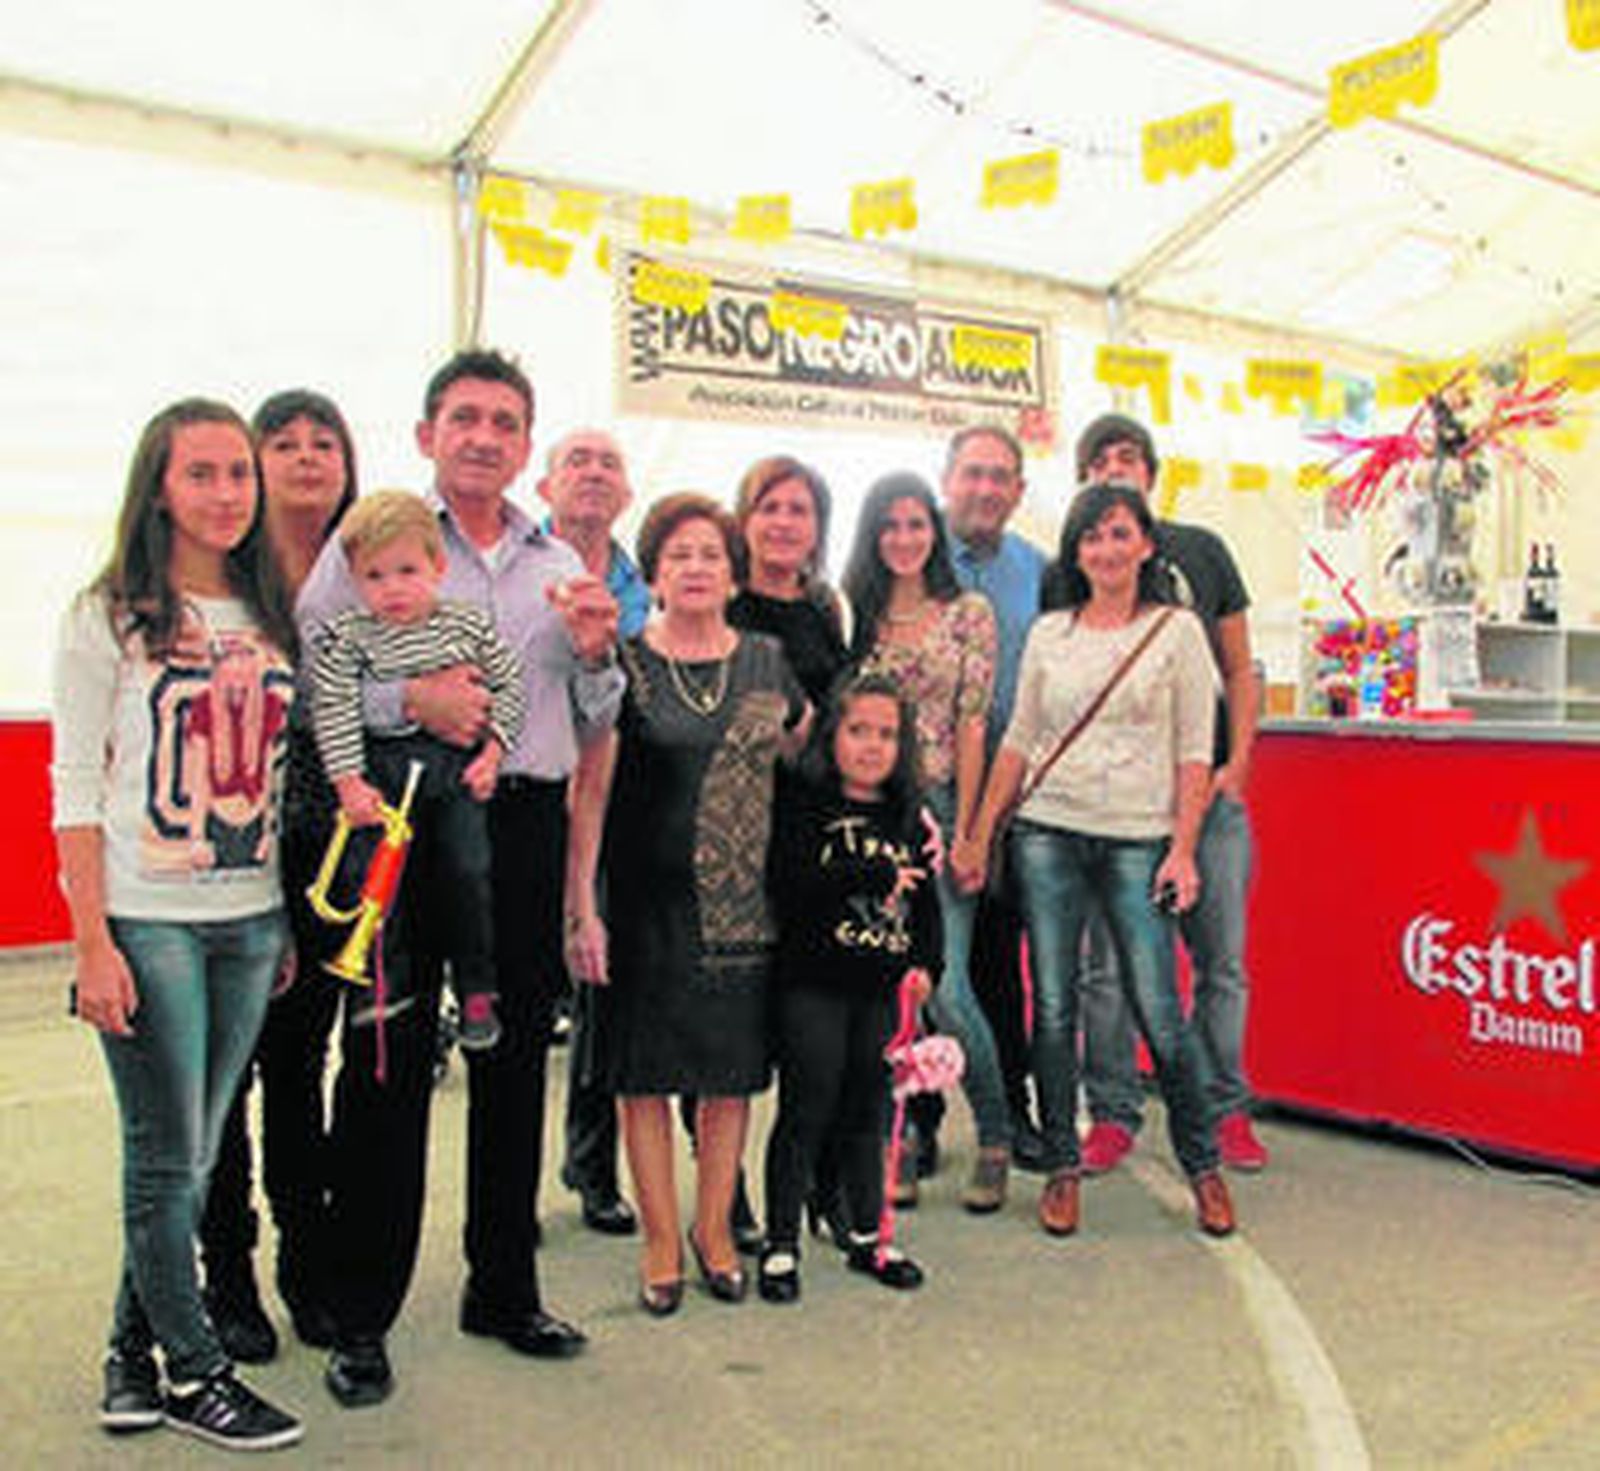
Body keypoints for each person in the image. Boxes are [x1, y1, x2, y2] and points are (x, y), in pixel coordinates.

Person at [297, 349, 621, 1407]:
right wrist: (410, 710)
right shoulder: (373, 540)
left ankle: (503, 1286)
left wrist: (596, 654)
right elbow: (318, 686)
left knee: (516, 1057)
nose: (485, 435)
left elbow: (596, 711)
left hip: (520, 825)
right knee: (385, 1061)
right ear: (427, 432)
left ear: (526, 446)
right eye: (465, 417)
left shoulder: (556, 562)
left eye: (505, 421)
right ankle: (360, 1314)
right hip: (397, 820)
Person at [52, 398, 304, 1449]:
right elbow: (72, 785)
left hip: (248, 920)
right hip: (148, 919)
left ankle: (129, 1354)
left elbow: (282, 781)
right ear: (157, 486)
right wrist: (92, 942)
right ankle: (196, 1373)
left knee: (191, 1155)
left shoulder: (271, 610)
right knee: (169, 1159)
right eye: (199, 473)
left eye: (237, 473)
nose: (225, 492)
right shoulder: (108, 612)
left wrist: (282, 914)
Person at [959, 482, 1236, 1239]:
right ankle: (1060, 1167)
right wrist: (981, 832)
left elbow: (1192, 749)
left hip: (1140, 838)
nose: (1106, 550)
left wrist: (1184, 847)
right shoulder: (1051, 632)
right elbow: (1018, 739)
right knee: (1052, 1008)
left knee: (1159, 1010)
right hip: (1047, 830)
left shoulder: (1177, 631)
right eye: (1091, 537)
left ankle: (1202, 1162)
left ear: (1146, 542)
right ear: (1075, 552)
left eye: (1119, 534)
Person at [566, 494, 806, 1316]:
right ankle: (661, 1240)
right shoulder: (622, 666)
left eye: (710, 553)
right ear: (655, 575)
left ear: (733, 571)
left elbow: (805, 762)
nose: (696, 567)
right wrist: (580, 907)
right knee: (640, 1080)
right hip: (640, 906)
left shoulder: (771, 661)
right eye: (678, 555)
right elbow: (588, 794)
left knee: (729, 1079)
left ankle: (715, 1231)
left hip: (742, 906)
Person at [200, 389, 357, 1364]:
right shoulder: (227, 584)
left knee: (303, 1075)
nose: (305, 457)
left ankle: (310, 1266)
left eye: (323, 441)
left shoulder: (365, 574)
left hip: (327, 868)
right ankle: (228, 1274)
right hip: (225, 868)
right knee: (225, 1082)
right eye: (284, 442)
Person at [1069, 414, 1265, 1175]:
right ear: (1083, 477)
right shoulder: (1075, 562)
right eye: (1100, 460)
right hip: (1115, 808)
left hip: (1208, 799)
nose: (1115, 469)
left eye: (1128, 457)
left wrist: (1238, 762)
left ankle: (1225, 1110)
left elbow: (1241, 668)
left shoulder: (1203, 550)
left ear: (1152, 473)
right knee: (1107, 970)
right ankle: (1113, 1113)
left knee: (1219, 962)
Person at [841, 472, 1008, 1213]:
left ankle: (998, 1135)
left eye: (916, 523)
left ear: (934, 533)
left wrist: (971, 829)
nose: (904, 538)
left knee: (948, 986)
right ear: (872, 537)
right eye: (889, 525)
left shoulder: (969, 613)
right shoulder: (860, 618)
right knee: (882, 984)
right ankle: (898, 1136)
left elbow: (973, 725)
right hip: (875, 815)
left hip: (943, 805)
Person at [309, 489, 525, 1049]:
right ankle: (380, 985)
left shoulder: (466, 625)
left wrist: (493, 755)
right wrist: (349, 784)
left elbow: (509, 686)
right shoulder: (348, 638)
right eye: (375, 576)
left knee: (469, 870)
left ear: (438, 567)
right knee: (376, 879)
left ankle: (477, 987)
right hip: (378, 768)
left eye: (408, 570)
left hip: (453, 769)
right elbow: (333, 709)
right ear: (354, 580)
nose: (394, 588)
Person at [760, 671, 941, 1303]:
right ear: (832, 735)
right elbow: (791, 886)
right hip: (813, 983)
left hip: (881, 990)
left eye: (888, 734)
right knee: (806, 1107)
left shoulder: (908, 819)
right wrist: (868, 872)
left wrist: (927, 968)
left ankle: (870, 1233)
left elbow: (929, 907)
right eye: (858, 730)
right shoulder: (806, 806)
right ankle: (781, 1241)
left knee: (871, 1110)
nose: (872, 746)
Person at [536, 428, 645, 1237]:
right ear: (545, 486)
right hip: (524, 801)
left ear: (628, 493)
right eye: (578, 460)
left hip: (619, 813)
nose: (594, 474)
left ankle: (593, 1163)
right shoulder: (518, 571)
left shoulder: (649, 588)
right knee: (510, 1008)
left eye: (610, 462)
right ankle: (503, 1196)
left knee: (604, 993)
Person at [940, 425, 1048, 1174]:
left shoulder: (1041, 571)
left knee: (998, 966)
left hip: (1013, 794)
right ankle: (914, 1121)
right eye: (972, 472)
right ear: (947, 477)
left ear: (1019, 490)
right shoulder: (909, 551)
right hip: (925, 795)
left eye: (999, 476)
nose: (984, 487)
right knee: (918, 970)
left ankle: (1013, 1111)